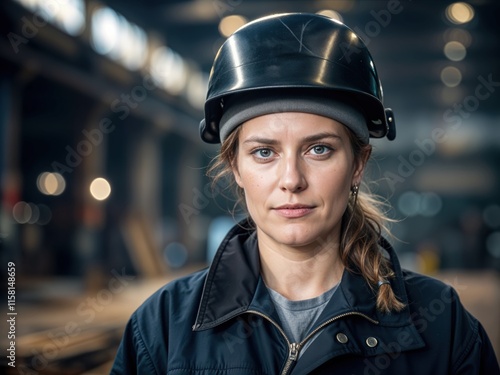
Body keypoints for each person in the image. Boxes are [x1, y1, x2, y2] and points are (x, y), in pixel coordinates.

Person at [110, 13, 499, 374]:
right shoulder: (161, 326)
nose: (292, 179)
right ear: (235, 168)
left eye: (319, 149)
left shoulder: (441, 325)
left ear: (358, 165)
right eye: (264, 152)